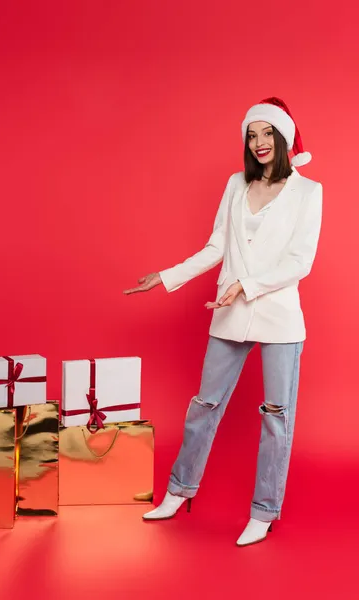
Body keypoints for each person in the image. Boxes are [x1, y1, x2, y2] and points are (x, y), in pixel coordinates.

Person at [123, 97, 323, 546]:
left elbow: (299, 262)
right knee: (204, 407)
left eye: (267, 133)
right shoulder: (236, 184)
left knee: (277, 416)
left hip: (279, 321)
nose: (259, 143)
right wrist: (167, 276)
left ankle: (264, 510)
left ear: (284, 137)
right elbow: (217, 247)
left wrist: (247, 285)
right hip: (229, 314)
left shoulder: (309, 192)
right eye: (251, 135)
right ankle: (179, 490)